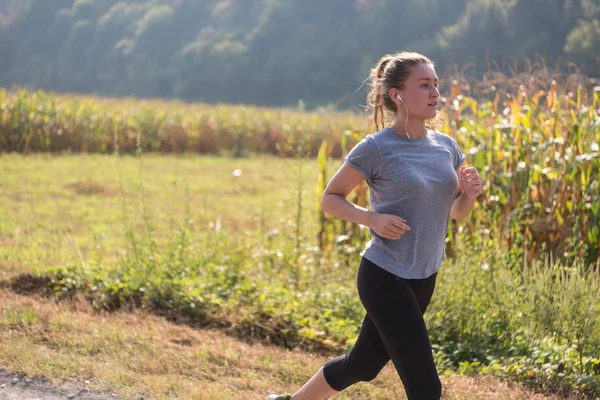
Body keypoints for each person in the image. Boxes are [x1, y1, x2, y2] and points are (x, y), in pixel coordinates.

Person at [268, 51, 483, 400]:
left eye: (436, 85)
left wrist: (470, 196)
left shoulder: (446, 147)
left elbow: (455, 213)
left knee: (363, 365)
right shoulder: (376, 148)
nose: (435, 93)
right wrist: (372, 219)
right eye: (424, 85)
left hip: (424, 275)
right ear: (397, 95)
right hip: (385, 275)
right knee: (426, 387)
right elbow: (330, 198)